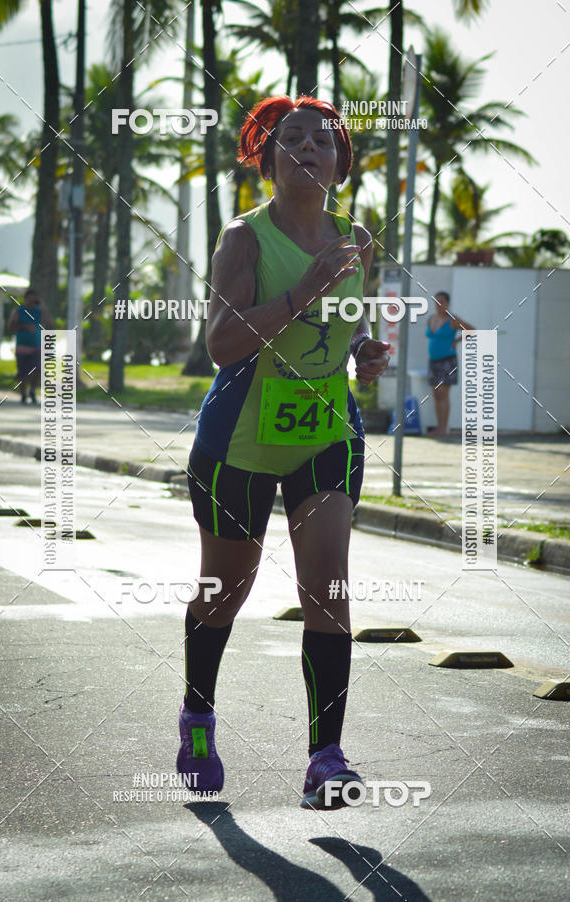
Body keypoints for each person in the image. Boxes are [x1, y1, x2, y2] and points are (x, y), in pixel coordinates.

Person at [176, 95, 391, 810]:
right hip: (239, 440)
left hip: (327, 433)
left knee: (327, 585)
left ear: (340, 162)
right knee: (224, 591)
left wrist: (365, 356)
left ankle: (325, 760)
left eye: (323, 140)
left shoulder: (358, 240)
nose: (307, 147)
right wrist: (302, 290)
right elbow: (221, 344)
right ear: (268, 159)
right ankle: (198, 717)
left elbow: (349, 328)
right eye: (290, 138)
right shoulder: (243, 239)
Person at [425, 291, 474, 437]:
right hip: (433, 360)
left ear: (447, 303)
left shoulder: (452, 319)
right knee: (436, 394)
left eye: (442, 301)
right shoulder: (431, 318)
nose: (439, 304)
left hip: (447, 360)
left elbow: (471, 330)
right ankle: (439, 426)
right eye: (437, 301)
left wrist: (456, 341)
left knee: (443, 394)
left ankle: (444, 428)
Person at [7, 288, 54, 404]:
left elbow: (50, 323)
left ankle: (32, 390)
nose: (32, 300)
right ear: (25, 298)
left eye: (34, 298)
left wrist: (43, 307)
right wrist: (24, 326)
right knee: (22, 372)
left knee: (37, 369)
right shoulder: (19, 311)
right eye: (30, 298)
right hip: (22, 346)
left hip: (36, 346)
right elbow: (11, 326)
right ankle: (23, 393)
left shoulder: (39, 311)